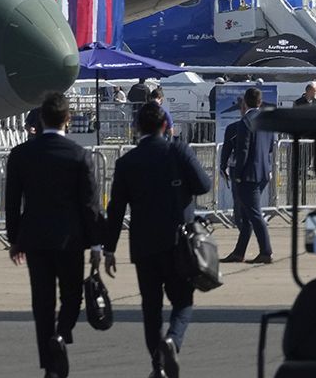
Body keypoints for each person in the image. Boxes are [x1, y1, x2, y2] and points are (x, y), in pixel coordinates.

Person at [105, 102, 212, 378]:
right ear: (166, 125)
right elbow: (204, 185)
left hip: (144, 245)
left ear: (137, 127)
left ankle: (158, 366)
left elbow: (116, 209)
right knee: (183, 301)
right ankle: (172, 341)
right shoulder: (178, 151)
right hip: (179, 241)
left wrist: (108, 249)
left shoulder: (127, 162)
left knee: (151, 308)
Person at [5, 91, 102, 378]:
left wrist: (14, 239)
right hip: (70, 238)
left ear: (42, 118)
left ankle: (49, 364)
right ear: (67, 120)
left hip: (35, 237)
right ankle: (61, 334)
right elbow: (90, 204)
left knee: (42, 301)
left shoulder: (21, 155)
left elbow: (12, 202)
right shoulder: (78, 155)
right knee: (72, 296)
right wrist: (96, 242)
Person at [220, 87, 277, 264]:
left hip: (248, 174)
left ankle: (266, 251)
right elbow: (269, 147)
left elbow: (243, 150)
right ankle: (239, 252)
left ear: (245, 101)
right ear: (260, 102)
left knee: (253, 214)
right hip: (263, 172)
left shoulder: (246, 122)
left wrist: (237, 174)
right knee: (247, 215)